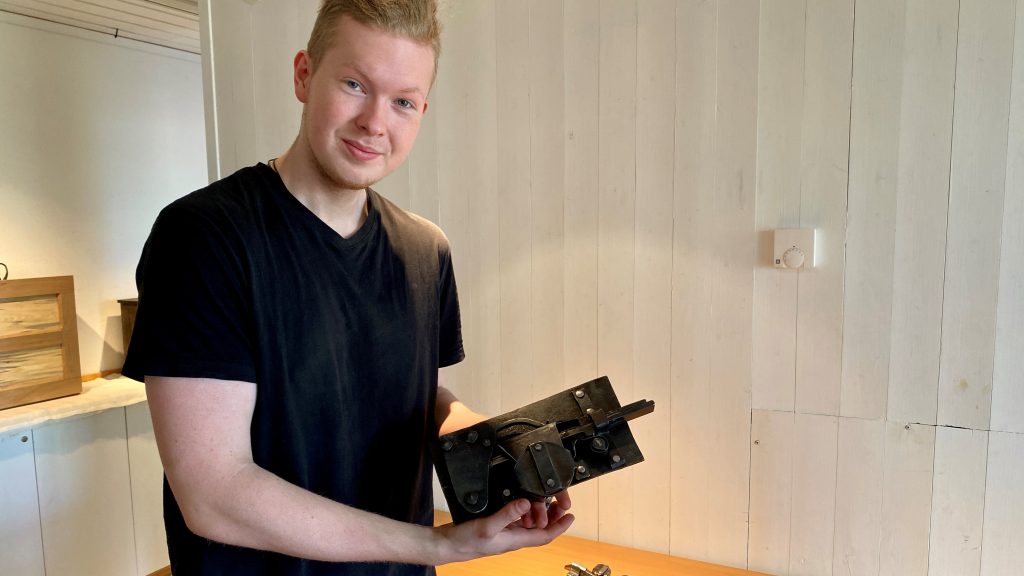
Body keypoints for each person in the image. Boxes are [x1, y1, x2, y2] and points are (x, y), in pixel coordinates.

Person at [122, 1, 573, 574]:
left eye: (403, 101)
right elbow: (214, 494)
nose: (375, 123)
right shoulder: (205, 238)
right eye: (355, 85)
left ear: (422, 111)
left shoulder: (425, 250)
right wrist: (438, 545)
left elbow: (412, 393)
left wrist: (489, 441)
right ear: (304, 75)